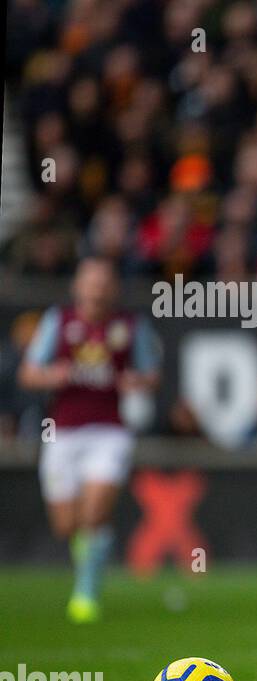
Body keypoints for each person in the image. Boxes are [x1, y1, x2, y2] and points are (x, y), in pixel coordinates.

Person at [18, 257, 161, 622]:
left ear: (113, 288)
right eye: (91, 281)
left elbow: (151, 375)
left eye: (104, 282)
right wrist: (54, 376)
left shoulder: (129, 327)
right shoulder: (58, 322)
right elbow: (29, 374)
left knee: (95, 512)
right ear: (78, 287)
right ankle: (91, 550)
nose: (97, 288)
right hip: (61, 432)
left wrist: (137, 382)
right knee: (66, 525)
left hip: (109, 431)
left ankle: (86, 592)